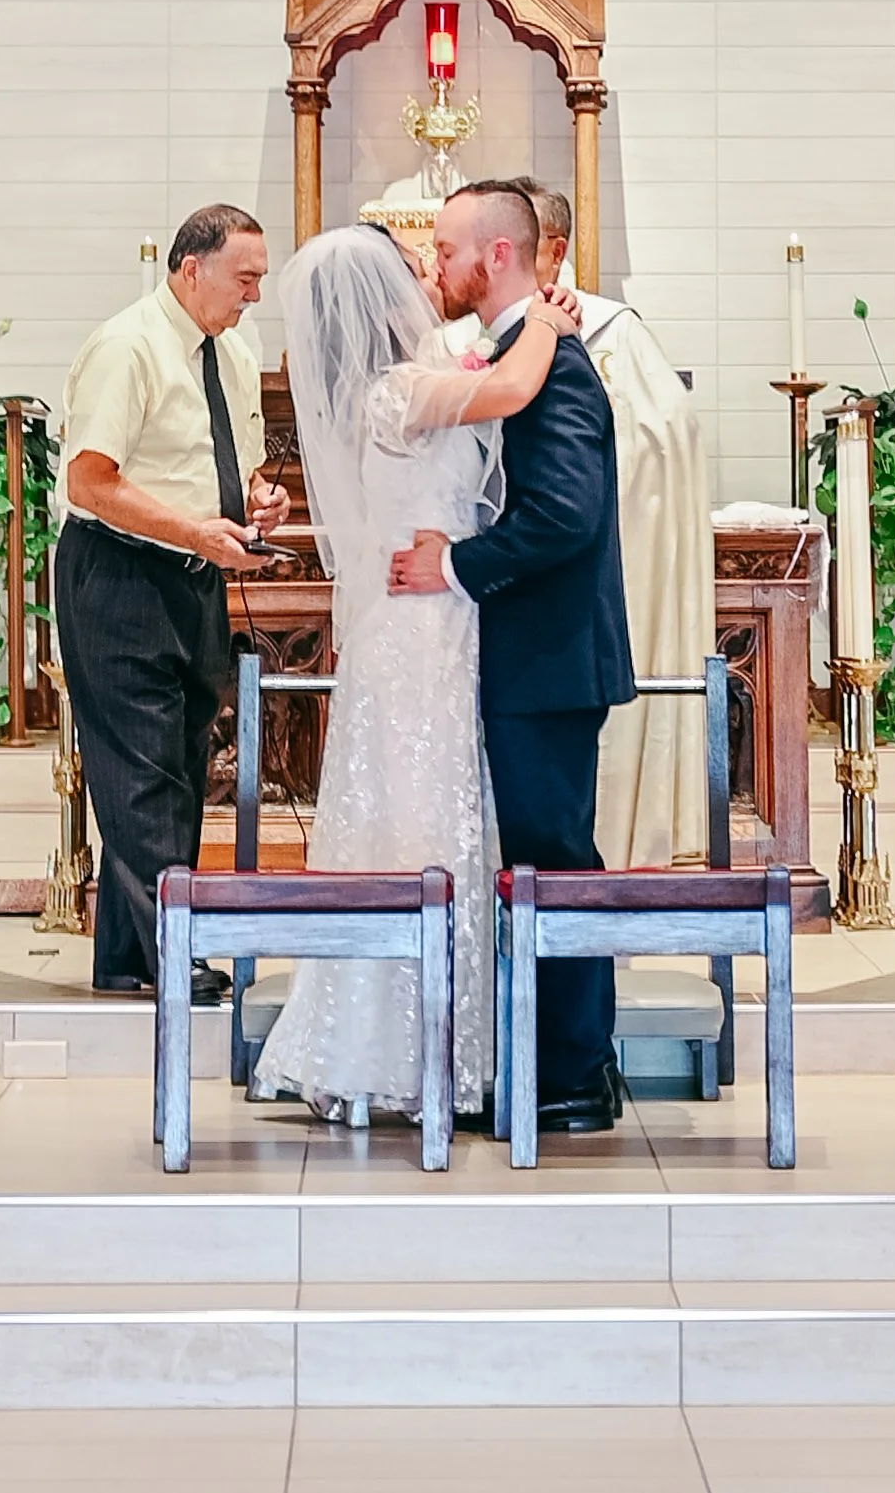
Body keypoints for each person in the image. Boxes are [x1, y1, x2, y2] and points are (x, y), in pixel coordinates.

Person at [254, 225, 581, 1122]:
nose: (424, 280)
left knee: (424, 819)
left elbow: (479, 367)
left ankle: (425, 1043)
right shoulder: (399, 391)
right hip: (421, 627)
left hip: (431, 616)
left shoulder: (400, 385)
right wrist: (548, 316)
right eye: (409, 271)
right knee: (420, 825)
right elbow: (510, 386)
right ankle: (403, 1047)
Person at [388, 182, 636, 1135]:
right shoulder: (514, 347)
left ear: (496, 256)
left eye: (446, 248)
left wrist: (454, 563)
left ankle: (575, 1071)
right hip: (529, 659)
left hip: (549, 659)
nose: (435, 265)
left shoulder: (555, 360)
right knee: (533, 859)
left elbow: (566, 514)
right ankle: (552, 1057)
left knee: (554, 861)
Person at [56, 205, 292, 1002]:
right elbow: (89, 479)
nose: (255, 294)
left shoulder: (232, 349)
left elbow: (239, 463)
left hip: (194, 573)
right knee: (142, 769)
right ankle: (172, 952)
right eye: (245, 277)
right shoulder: (128, 346)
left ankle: (129, 957)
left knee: (183, 762)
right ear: (192, 267)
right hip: (120, 573)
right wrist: (195, 523)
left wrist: (257, 501)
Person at [515, 180, 717, 868]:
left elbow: (658, 446)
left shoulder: (610, 331)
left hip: (594, 588)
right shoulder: (494, 331)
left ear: (556, 250)